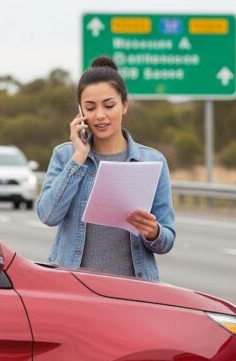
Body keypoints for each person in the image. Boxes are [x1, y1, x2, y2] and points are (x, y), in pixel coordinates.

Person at [36, 56, 175, 281]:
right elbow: (48, 215)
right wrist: (78, 158)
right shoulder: (65, 155)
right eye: (90, 107)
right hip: (74, 286)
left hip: (134, 289)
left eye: (109, 105)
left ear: (125, 105)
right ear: (80, 112)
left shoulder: (153, 161)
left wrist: (153, 232)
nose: (100, 115)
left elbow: (167, 239)